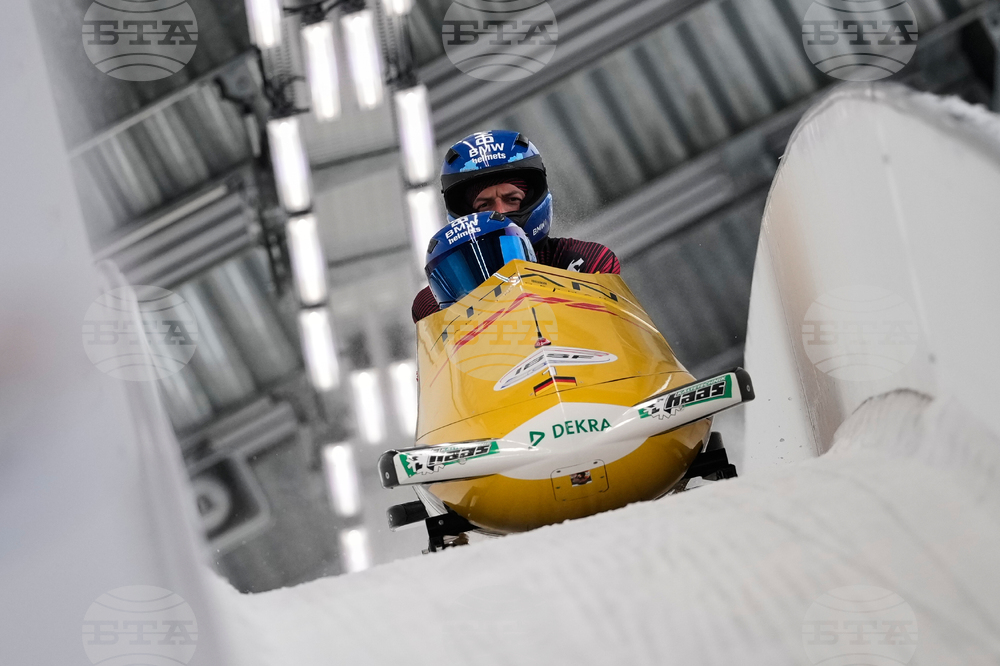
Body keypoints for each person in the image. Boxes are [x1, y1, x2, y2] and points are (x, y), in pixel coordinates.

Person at [411, 130, 620, 322]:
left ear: (531, 198)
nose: (500, 212)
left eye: (512, 199)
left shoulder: (584, 261)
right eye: (484, 205)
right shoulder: (434, 299)